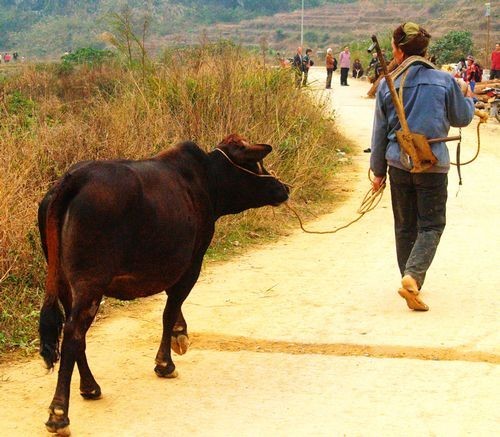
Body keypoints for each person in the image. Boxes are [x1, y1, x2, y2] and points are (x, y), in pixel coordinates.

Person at [370, 22, 475, 311]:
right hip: (433, 164)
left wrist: (378, 172)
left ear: (398, 51)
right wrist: (467, 95)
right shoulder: (444, 81)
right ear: (426, 50)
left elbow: (379, 132)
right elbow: (463, 118)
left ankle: (409, 278)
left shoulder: (386, 84)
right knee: (431, 225)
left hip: (397, 164)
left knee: (404, 226)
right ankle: (413, 277)